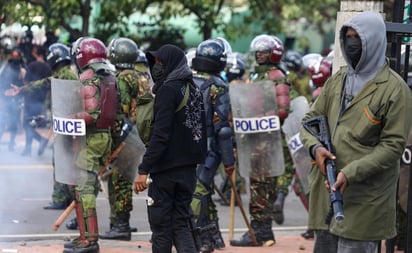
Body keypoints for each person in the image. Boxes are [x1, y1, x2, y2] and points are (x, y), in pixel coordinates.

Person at [300, 11, 412, 253]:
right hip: (328, 196)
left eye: (357, 38)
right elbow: (310, 120)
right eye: (348, 37)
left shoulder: (395, 90)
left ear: (373, 41)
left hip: (365, 202)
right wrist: (315, 148)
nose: (351, 44)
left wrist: (351, 173)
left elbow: (392, 147)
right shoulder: (338, 80)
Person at [133, 44, 207, 253]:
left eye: (160, 63)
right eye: (154, 63)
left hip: (165, 171)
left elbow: (160, 135)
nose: (156, 68)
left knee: (161, 229)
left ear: (171, 64)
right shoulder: (193, 89)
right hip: (188, 171)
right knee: (181, 224)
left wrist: (143, 169)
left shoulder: (167, 90)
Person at [230, 34, 292, 247]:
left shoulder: (276, 76)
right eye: (258, 51)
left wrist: (260, 120)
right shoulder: (254, 76)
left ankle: (258, 232)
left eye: (264, 51)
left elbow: (284, 109)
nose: (259, 54)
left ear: (274, 53)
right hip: (253, 139)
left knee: (262, 186)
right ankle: (263, 231)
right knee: (258, 185)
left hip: (267, 140)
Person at [62, 37, 118, 253]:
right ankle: (84, 236)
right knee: (82, 188)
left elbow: (91, 114)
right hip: (103, 137)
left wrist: (67, 118)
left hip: (91, 138)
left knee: (83, 188)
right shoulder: (108, 76)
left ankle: (89, 241)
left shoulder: (90, 77)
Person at [99, 37, 152, 241]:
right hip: (140, 135)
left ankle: (120, 225)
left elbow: (119, 114)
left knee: (119, 181)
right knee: (125, 179)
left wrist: (115, 142)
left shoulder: (121, 78)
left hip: (125, 137)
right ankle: (121, 223)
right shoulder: (142, 77)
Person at [189, 38, 236, 252]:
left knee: (198, 191)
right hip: (207, 149)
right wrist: (228, 162)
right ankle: (205, 237)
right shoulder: (218, 86)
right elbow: (223, 129)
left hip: (185, 146)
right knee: (200, 192)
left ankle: (207, 237)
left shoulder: (184, 80)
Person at [20, 50, 51, 157]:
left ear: (36, 54)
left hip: (30, 100)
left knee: (27, 125)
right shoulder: (48, 68)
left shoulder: (32, 65)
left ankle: (35, 144)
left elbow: (26, 82)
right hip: (40, 102)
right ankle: (31, 147)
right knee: (30, 125)